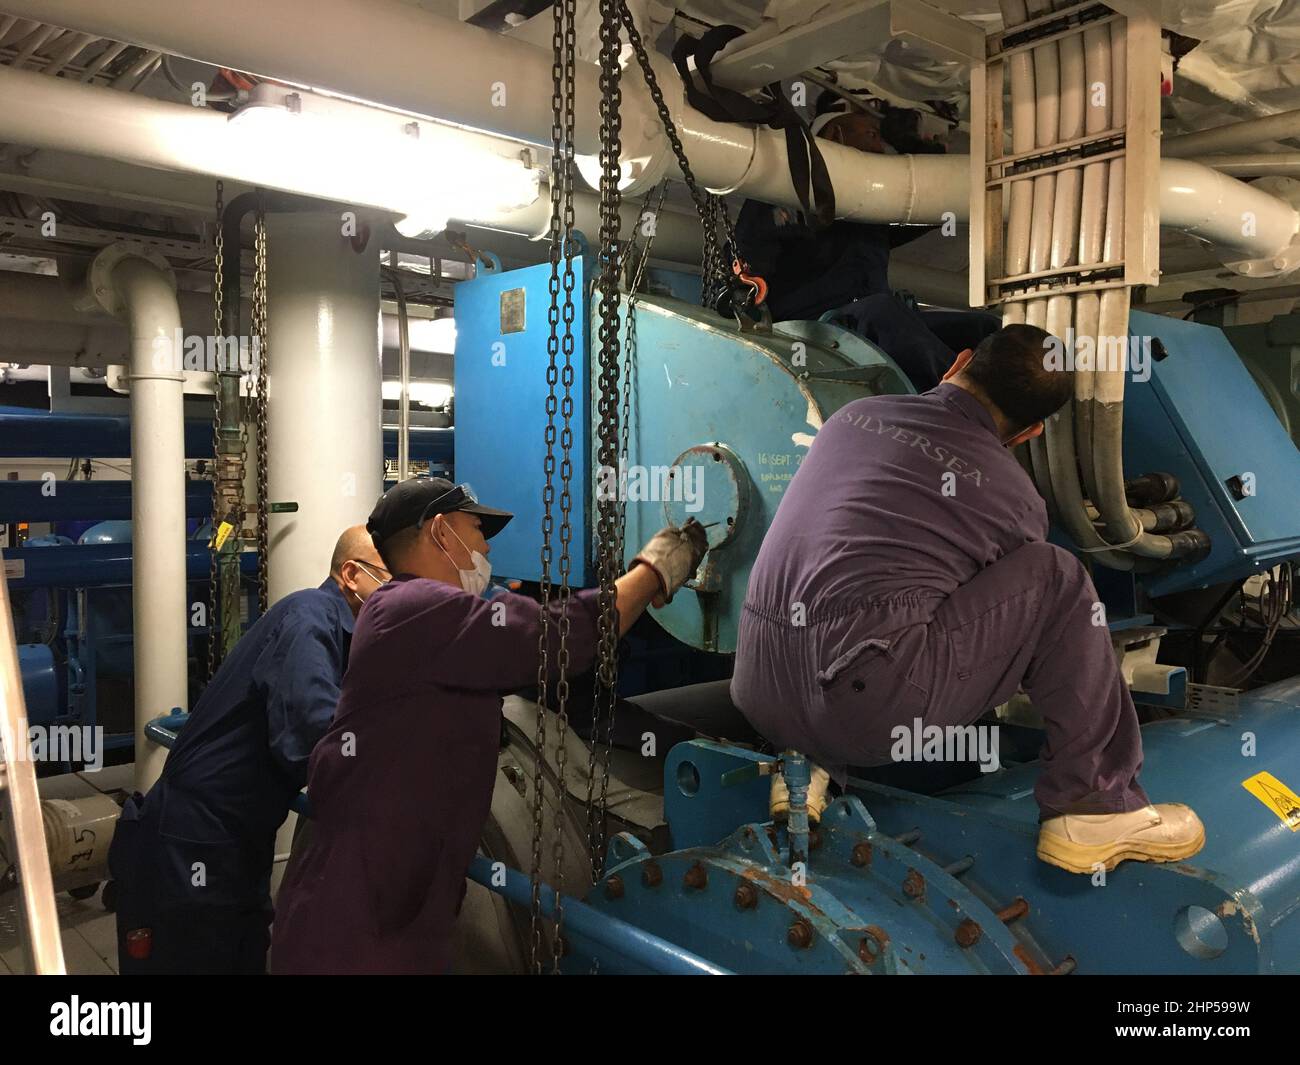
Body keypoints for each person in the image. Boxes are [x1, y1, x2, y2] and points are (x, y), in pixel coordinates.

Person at [730, 325, 1205, 874]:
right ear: (1029, 432)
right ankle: (1093, 806)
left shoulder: (852, 420)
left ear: (957, 362)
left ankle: (805, 769)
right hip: (866, 712)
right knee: (1056, 575)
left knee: (863, 594)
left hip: (757, 685)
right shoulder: (1015, 496)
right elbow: (1008, 624)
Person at [271, 477, 707, 973]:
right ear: (440, 533)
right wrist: (654, 570)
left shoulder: (418, 620)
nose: (483, 547)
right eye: (477, 530)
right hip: (351, 935)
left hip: (393, 919)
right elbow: (558, 638)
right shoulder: (407, 607)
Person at [109, 525, 388, 973]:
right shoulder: (311, 618)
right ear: (352, 575)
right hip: (197, 838)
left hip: (233, 838)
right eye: (391, 580)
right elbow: (311, 735)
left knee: (237, 951)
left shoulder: (338, 633)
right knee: (199, 957)